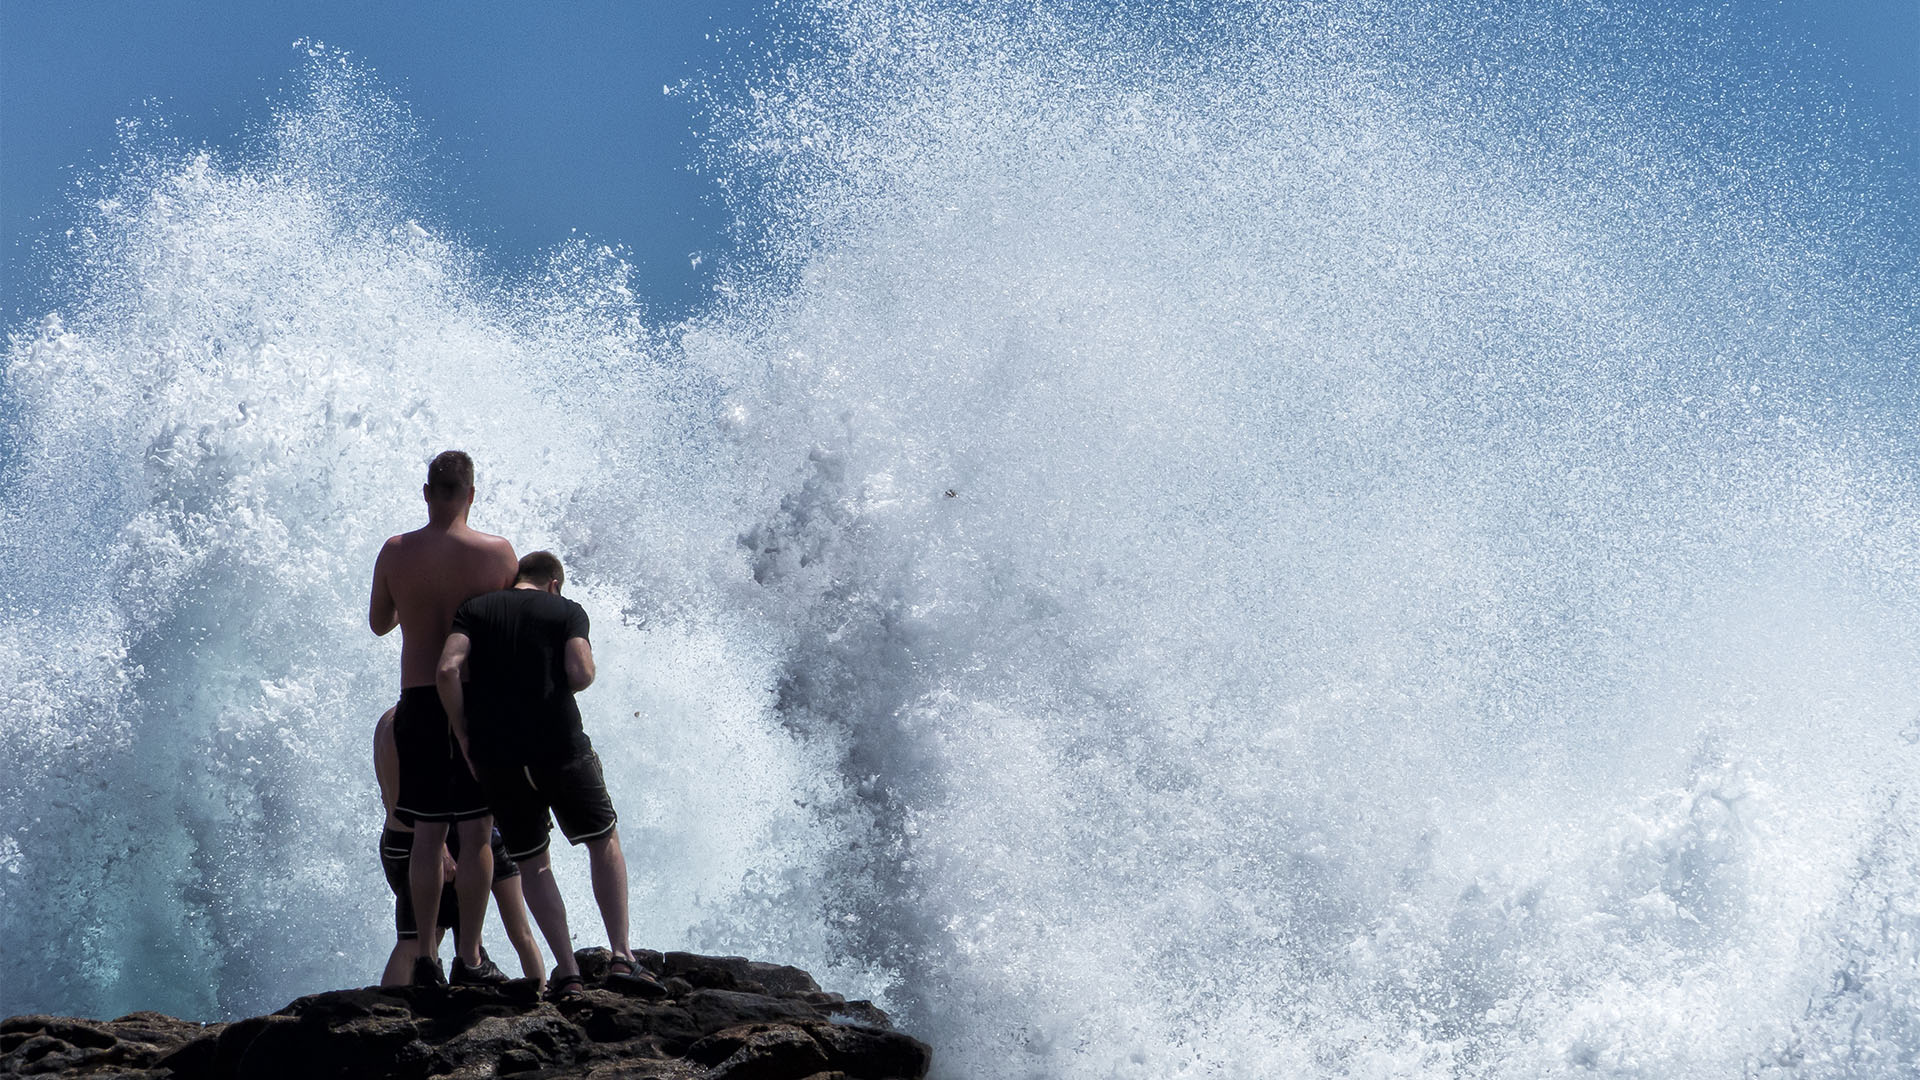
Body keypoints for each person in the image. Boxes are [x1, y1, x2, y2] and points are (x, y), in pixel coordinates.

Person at [437, 551, 660, 1000]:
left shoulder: (475, 609)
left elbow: (447, 669)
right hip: (560, 748)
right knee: (602, 840)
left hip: (499, 760)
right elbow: (581, 672)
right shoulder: (566, 611)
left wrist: (464, 736)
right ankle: (621, 956)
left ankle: (569, 970)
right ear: (554, 583)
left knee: (534, 862)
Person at [369, 450, 518, 986]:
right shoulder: (497, 554)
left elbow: (379, 623)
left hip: (417, 700)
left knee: (427, 834)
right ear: (471, 494)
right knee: (477, 831)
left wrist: (414, 602)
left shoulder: (395, 551)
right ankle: (470, 958)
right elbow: (508, 633)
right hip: (472, 701)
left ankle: (426, 959)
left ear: (427, 492)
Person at [373, 707, 545, 989]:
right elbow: (422, 802)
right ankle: (392, 1014)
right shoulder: (417, 724)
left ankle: (397, 1010)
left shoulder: (388, 720)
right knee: (419, 941)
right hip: (429, 842)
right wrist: (440, 849)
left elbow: (393, 797)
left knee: (428, 936)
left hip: (397, 841)